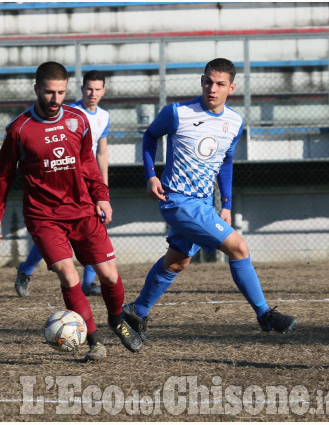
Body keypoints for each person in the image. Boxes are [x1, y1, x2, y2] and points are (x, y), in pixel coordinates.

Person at [122, 58, 297, 340]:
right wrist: (150, 175)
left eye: (219, 84)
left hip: (204, 203)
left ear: (232, 87)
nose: (211, 88)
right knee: (239, 247)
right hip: (177, 200)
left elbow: (226, 161)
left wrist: (226, 204)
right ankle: (265, 315)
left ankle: (135, 311)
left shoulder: (235, 121)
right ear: (202, 80)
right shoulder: (177, 113)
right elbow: (150, 136)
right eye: (207, 81)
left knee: (177, 262)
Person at [0, 61, 143, 361]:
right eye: (48, 92)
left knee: (109, 276)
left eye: (60, 92)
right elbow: (2, 175)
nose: (55, 99)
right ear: (36, 90)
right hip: (43, 215)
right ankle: (95, 340)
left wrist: (102, 196)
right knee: (69, 275)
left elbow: (87, 163)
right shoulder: (19, 129)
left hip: (83, 210)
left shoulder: (78, 121)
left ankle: (115, 318)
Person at [14, 70, 110, 298]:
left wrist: (103, 191)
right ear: (81, 89)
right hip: (64, 180)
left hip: (89, 181)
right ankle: (26, 269)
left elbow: (102, 152)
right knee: (58, 235)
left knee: (93, 230)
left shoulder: (104, 116)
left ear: (103, 91)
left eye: (97, 89)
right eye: (88, 89)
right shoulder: (69, 113)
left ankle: (88, 283)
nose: (92, 93)